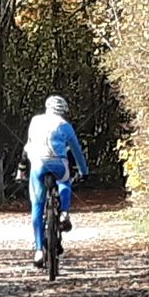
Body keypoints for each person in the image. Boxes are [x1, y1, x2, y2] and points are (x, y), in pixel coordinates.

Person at [17, 95, 88, 268]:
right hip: (59, 163)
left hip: (38, 164)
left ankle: (39, 250)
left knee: (37, 205)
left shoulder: (35, 121)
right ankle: (64, 212)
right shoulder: (65, 125)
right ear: (64, 111)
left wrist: (21, 169)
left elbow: (29, 145)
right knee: (65, 181)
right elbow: (77, 150)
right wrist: (84, 171)